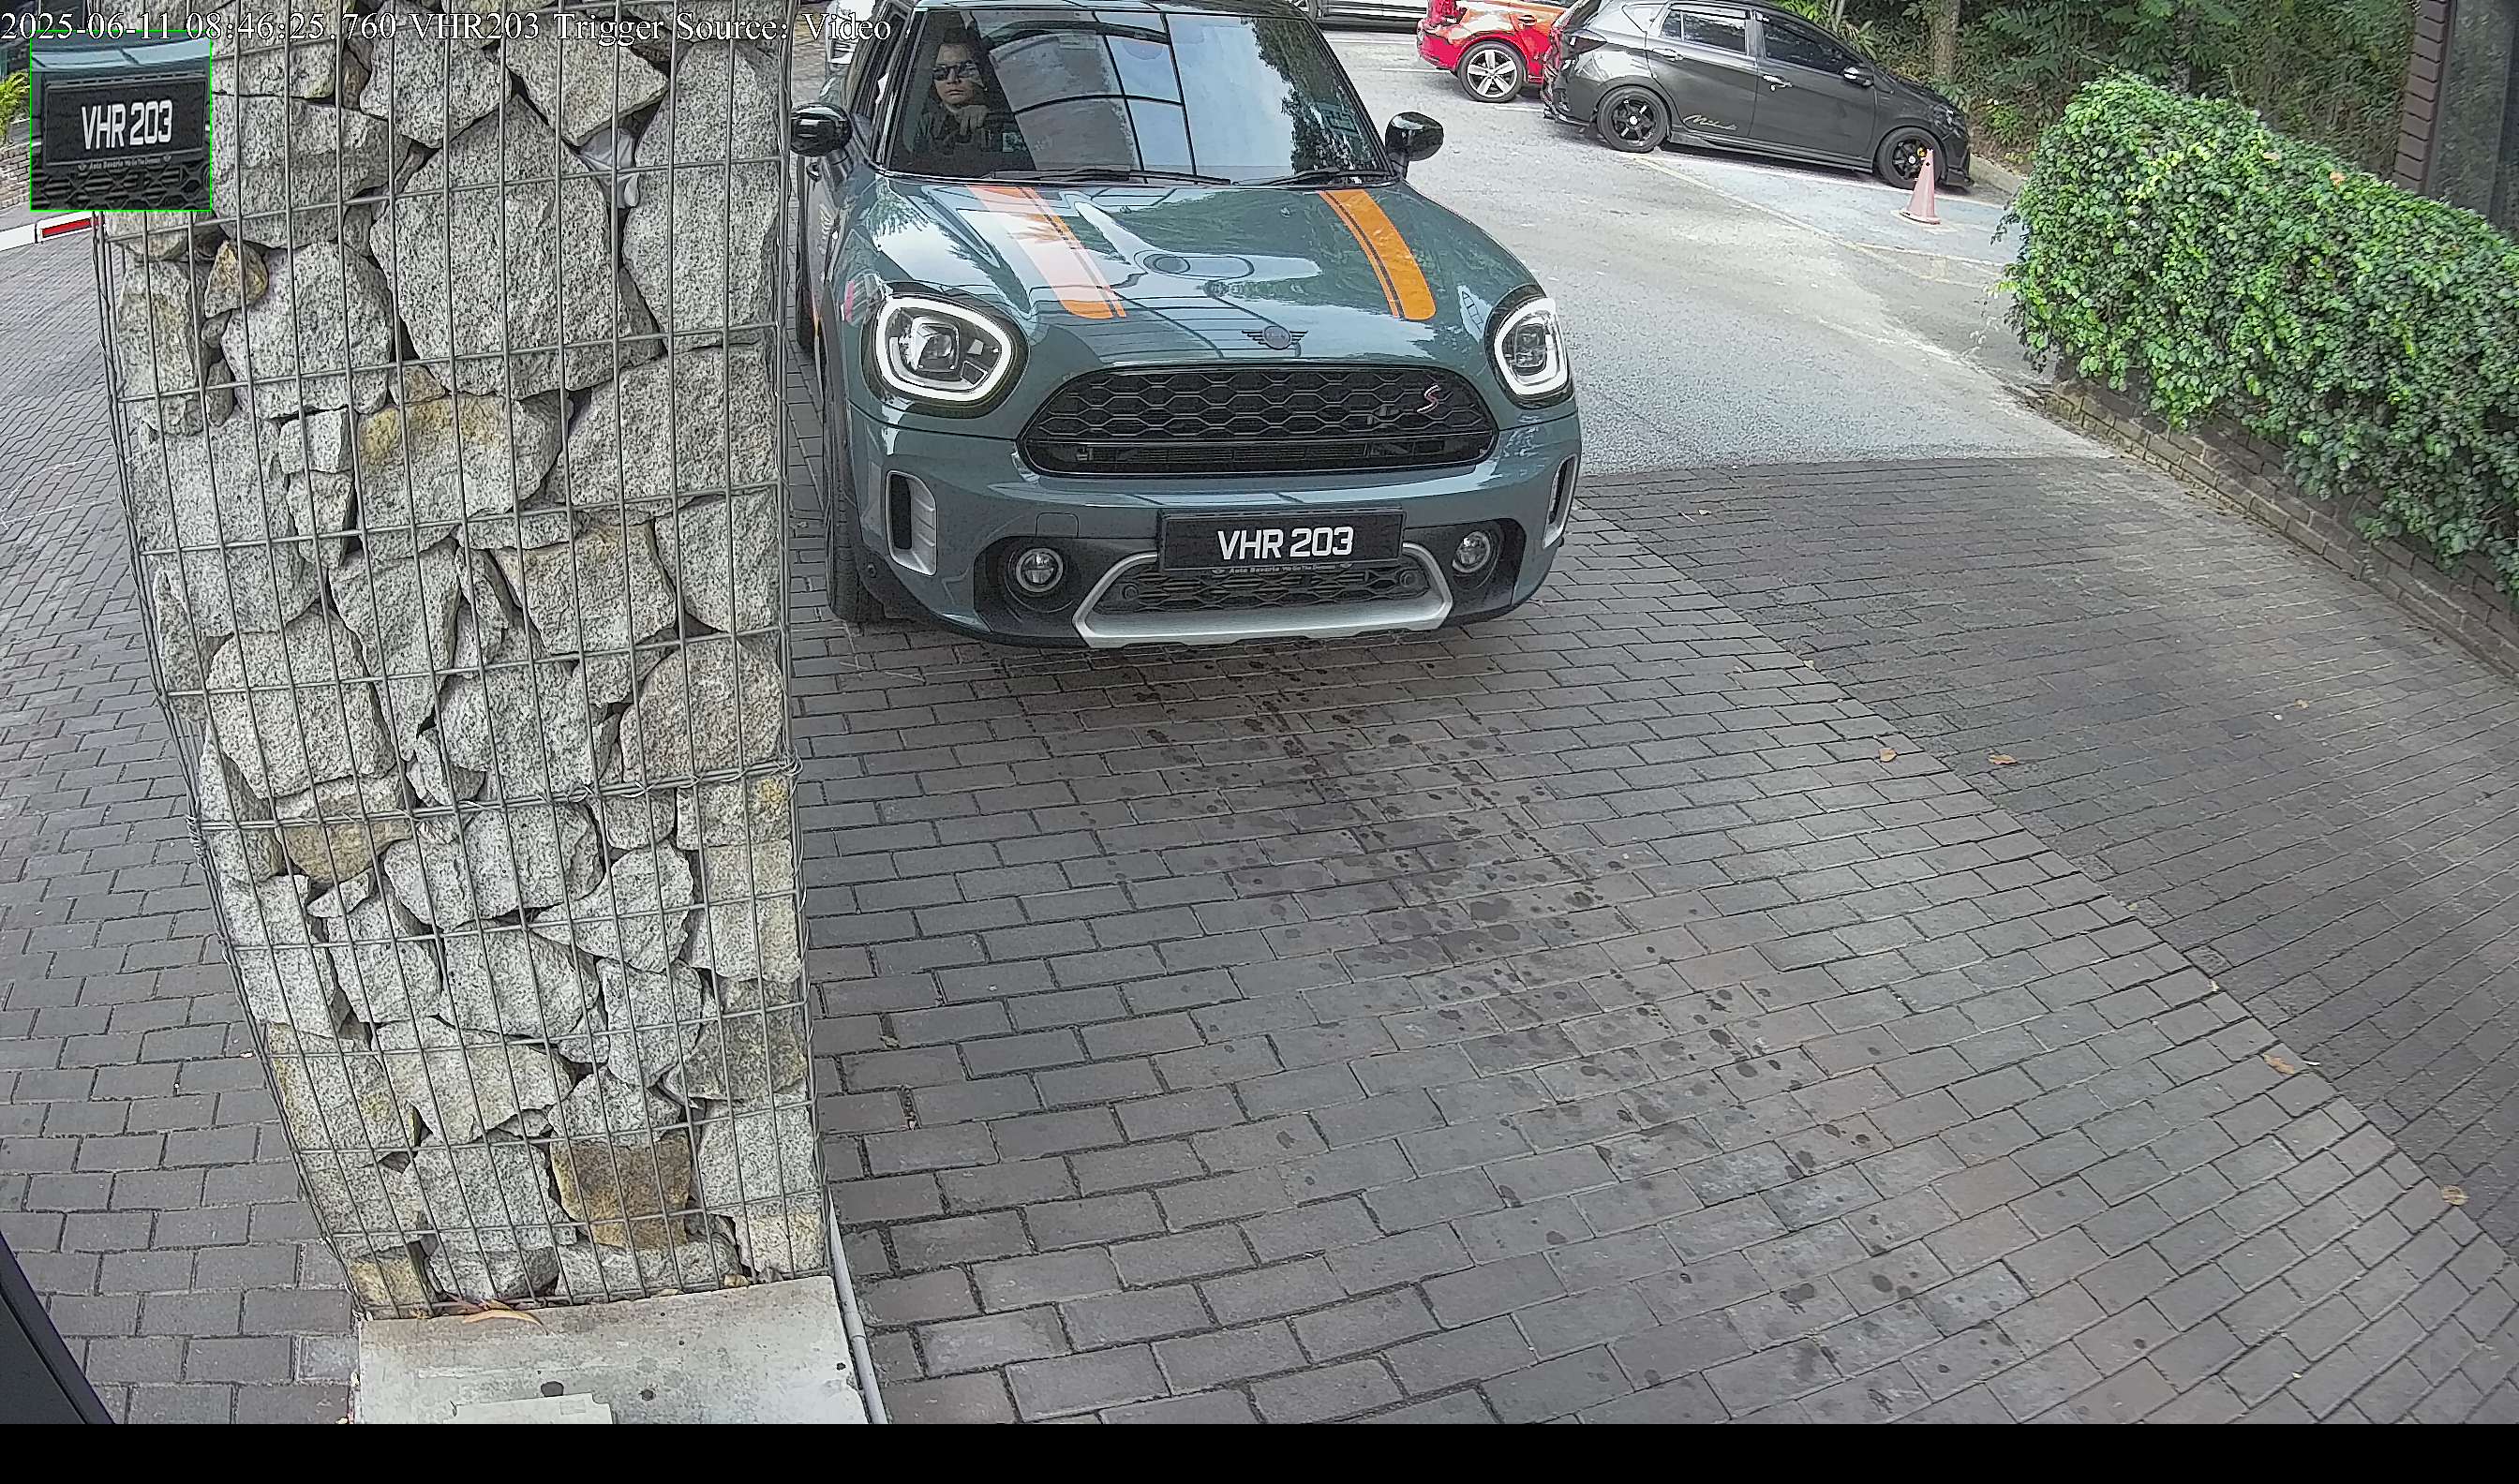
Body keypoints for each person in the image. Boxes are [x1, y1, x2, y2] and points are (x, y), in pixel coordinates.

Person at [901, 33, 1032, 175]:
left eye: (964, 70)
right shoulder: (918, 125)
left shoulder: (1018, 111)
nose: (952, 79)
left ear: (984, 73)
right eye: (940, 72)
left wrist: (992, 114)